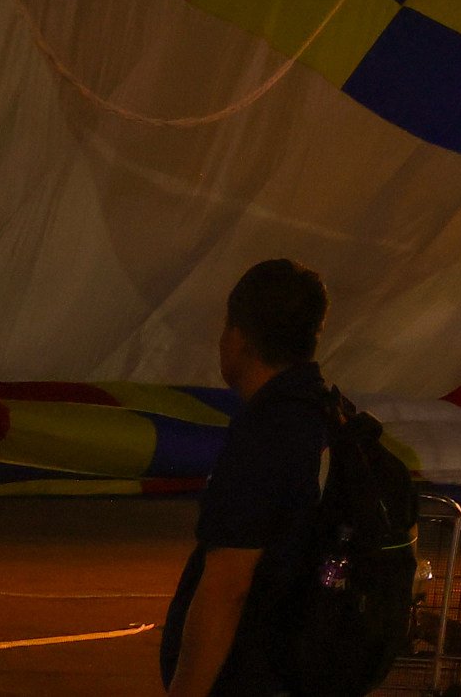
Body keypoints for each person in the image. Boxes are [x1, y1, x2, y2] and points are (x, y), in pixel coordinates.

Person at [162, 259, 335, 697]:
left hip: (257, 672)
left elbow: (228, 587)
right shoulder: (329, 415)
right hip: (306, 663)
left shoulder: (267, 434)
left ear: (238, 338)